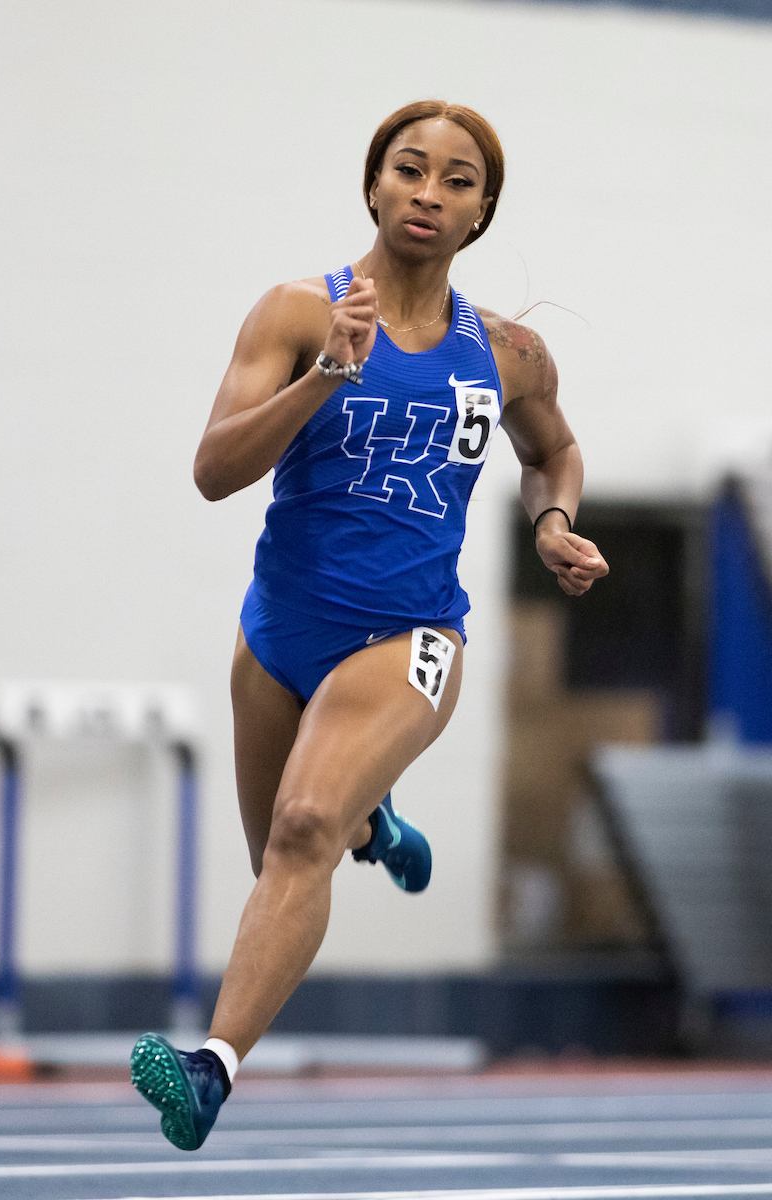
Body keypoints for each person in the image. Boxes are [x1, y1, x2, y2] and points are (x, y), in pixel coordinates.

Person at [130, 100, 609, 1149]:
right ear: (373, 185)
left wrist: (553, 525)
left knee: (302, 828)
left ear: (481, 210)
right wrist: (326, 376)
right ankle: (374, 822)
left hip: (411, 637)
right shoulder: (299, 312)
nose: (428, 192)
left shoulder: (509, 355)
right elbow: (214, 471)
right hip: (278, 634)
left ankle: (207, 1070)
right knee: (287, 856)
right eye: (408, 169)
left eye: (456, 179)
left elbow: (550, 453)